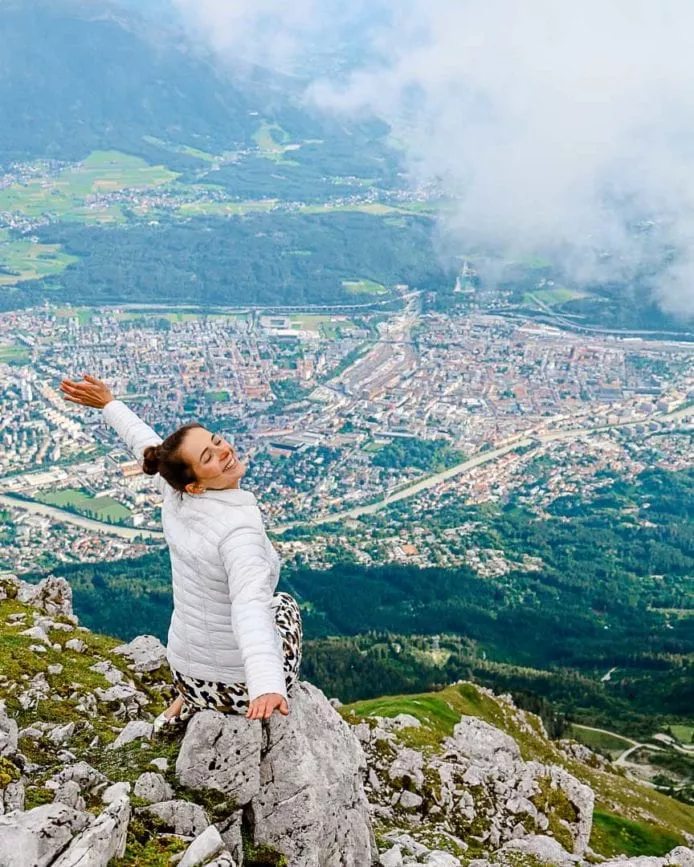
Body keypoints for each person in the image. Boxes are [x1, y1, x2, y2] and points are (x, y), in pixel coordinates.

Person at [59, 374, 303, 730]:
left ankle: (186, 700)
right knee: (283, 605)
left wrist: (109, 404)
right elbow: (250, 606)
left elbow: (148, 447)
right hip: (236, 690)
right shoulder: (238, 532)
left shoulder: (176, 494)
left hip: (186, 675)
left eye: (216, 441)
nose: (223, 451)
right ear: (196, 485)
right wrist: (266, 683)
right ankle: (227, 693)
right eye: (208, 456)